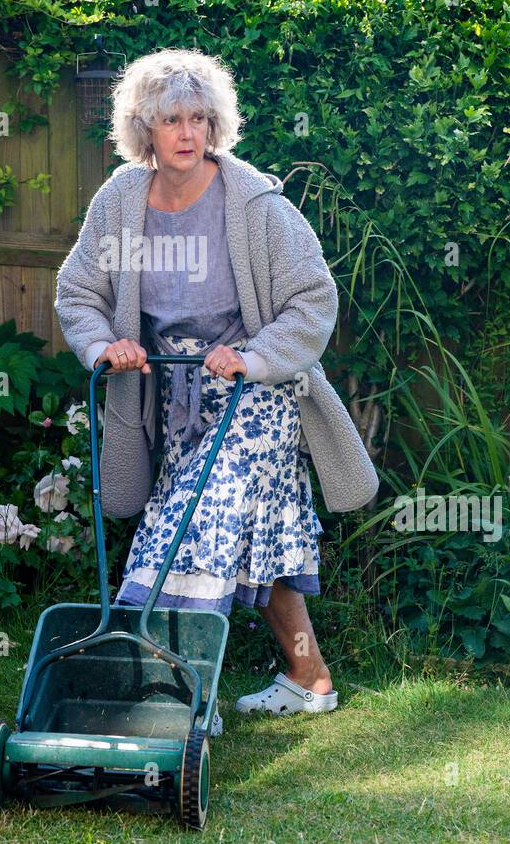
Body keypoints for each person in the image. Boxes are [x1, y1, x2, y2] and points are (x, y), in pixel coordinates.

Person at [54, 49, 379, 732]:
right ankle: (308, 677)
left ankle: (179, 689)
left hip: (256, 396)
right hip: (172, 401)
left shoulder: (253, 204)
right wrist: (104, 346)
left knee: (190, 521)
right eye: (173, 118)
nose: (188, 133)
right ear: (145, 126)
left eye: (200, 118)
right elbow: (79, 294)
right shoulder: (119, 201)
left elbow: (314, 301)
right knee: (246, 530)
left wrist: (254, 357)